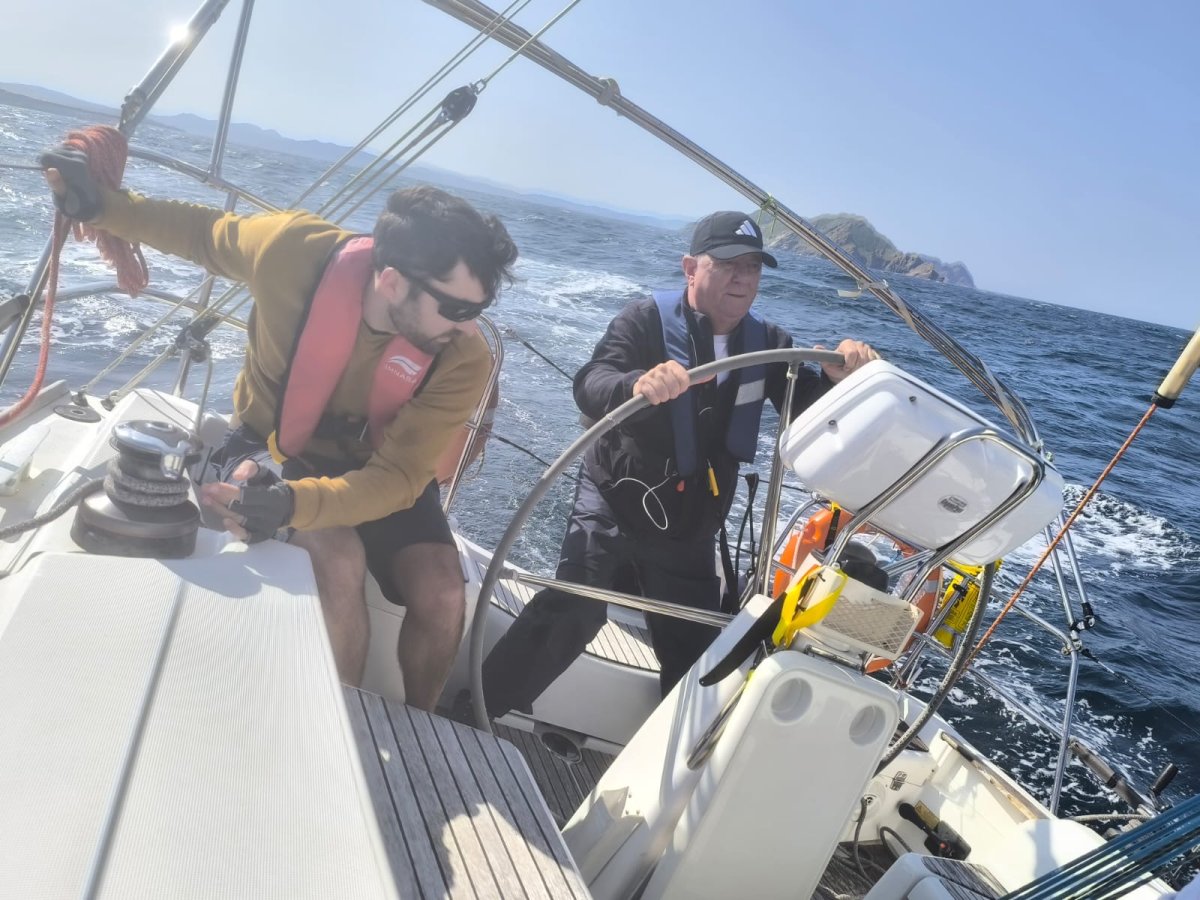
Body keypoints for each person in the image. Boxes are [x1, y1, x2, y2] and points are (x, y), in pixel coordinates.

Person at [41, 146, 518, 711]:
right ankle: (348, 725)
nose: (468, 327)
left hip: (377, 470)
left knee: (442, 590)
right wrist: (100, 207)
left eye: (478, 309)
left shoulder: (462, 357)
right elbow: (203, 233)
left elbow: (398, 478)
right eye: (456, 308)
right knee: (338, 559)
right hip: (270, 444)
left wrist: (294, 506)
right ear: (391, 281)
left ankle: (420, 724)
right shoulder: (292, 252)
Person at [481, 211, 878, 717]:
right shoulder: (642, 321)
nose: (742, 277)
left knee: (696, 650)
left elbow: (814, 419)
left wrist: (844, 380)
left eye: (753, 266)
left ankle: (678, 767)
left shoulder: (772, 346)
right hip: (616, 498)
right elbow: (590, 381)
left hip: (692, 523)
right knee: (574, 608)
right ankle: (479, 707)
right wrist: (635, 384)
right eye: (728, 263)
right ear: (690, 267)